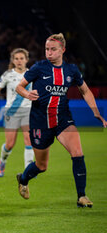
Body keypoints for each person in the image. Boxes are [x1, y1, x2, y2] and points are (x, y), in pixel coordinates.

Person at [15, 33, 107, 208]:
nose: (49, 53)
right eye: (47, 49)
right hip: (40, 121)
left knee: (78, 153)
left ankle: (82, 196)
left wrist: (95, 111)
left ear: (63, 50)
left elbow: (85, 91)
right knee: (42, 166)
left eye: (53, 49)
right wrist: (27, 94)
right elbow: (20, 86)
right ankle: (24, 178)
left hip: (63, 119)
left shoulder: (72, 70)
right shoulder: (39, 68)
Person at [0, 48, 34, 177]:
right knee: (10, 144)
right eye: (16, 59)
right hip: (11, 112)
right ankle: (2, 161)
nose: (19, 61)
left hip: (28, 111)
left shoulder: (32, 74)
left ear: (26, 60)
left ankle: (29, 169)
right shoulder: (8, 74)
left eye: (21, 58)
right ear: (13, 61)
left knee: (29, 140)